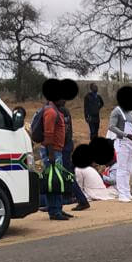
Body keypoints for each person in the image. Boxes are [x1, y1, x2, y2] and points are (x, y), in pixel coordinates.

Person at [38, 78, 72, 220]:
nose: (65, 101)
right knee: (55, 182)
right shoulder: (51, 112)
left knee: (57, 181)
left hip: (57, 150)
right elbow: (49, 134)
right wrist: (51, 154)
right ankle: (55, 211)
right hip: (52, 151)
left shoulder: (55, 111)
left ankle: (57, 208)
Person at [58, 85, 91, 211]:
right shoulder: (64, 111)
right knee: (66, 174)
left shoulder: (62, 112)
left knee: (66, 175)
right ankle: (63, 200)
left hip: (64, 147)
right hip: (67, 146)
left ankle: (81, 200)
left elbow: (65, 132)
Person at [107, 86, 132, 203]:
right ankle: (121, 194)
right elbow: (111, 127)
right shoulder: (117, 111)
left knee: (128, 169)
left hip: (131, 143)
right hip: (122, 142)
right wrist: (126, 135)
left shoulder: (130, 112)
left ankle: (127, 192)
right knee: (122, 168)